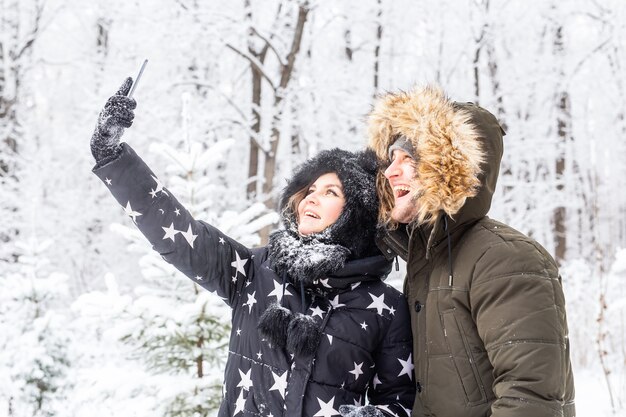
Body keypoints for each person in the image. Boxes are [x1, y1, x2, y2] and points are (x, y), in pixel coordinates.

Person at [90, 77, 416, 417]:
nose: (312, 197)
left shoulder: (385, 308)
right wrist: (111, 155)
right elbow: (180, 235)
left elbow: (399, 402)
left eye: (331, 192)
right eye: (310, 189)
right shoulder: (255, 271)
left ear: (355, 214)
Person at [367, 85, 575, 417]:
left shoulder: (506, 259)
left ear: (447, 169)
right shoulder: (425, 262)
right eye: (391, 158)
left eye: (408, 158)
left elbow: (530, 397)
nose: (391, 171)